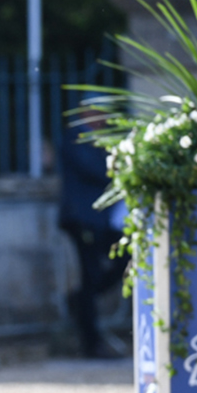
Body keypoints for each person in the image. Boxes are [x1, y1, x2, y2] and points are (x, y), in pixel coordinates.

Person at [58, 123, 128, 358]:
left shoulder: (97, 137)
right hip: (83, 220)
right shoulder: (77, 137)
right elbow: (99, 170)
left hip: (101, 221)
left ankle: (78, 303)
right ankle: (91, 343)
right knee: (90, 277)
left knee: (121, 263)